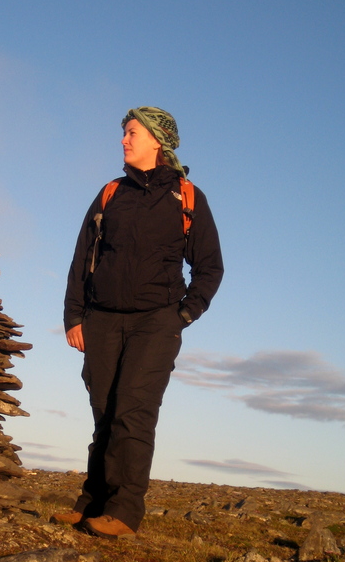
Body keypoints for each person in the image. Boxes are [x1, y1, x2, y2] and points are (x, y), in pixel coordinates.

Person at [56, 106, 223, 539]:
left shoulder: (187, 197)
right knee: (104, 411)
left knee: (133, 410)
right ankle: (93, 500)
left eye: (131, 132)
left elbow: (209, 268)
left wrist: (183, 314)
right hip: (103, 319)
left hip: (156, 322)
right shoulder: (111, 192)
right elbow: (83, 259)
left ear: (156, 140)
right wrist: (75, 315)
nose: (124, 140)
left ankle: (125, 511)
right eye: (125, 133)